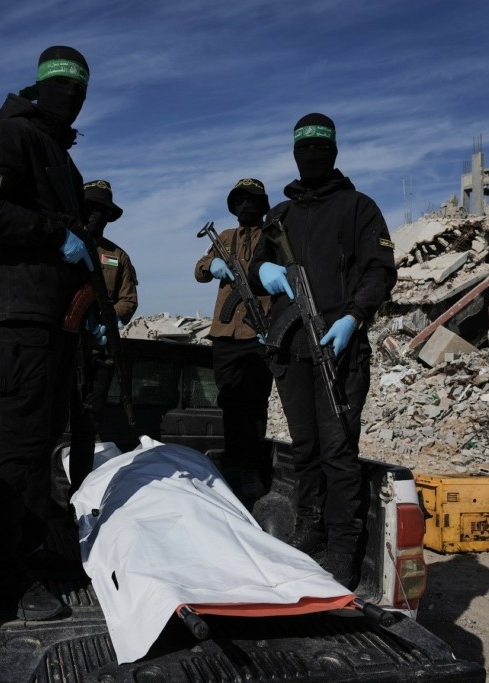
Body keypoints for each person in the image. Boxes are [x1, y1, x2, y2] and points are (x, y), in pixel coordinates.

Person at [0, 45, 99, 620]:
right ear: (41, 87)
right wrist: (53, 234)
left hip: (57, 320)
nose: (72, 98)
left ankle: (36, 553)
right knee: (18, 448)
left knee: (43, 444)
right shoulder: (9, 134)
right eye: (64, 86)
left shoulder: (60, 155)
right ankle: (11, 581)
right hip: (24, 316)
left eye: (80, 90)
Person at [249, 113, 397, 588]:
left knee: (338, 452)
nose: (311, 156)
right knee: (305, 448)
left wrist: (354, 317)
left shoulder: (359, 208)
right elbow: (255, 269)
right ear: (294, 153)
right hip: (291, 351)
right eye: (304, 148)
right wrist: (263, 272)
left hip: (339, 350)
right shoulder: (280, 215)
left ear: (334, 151)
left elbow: (380, 270)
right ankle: (309, 528)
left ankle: (342, 547)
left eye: (320, 147)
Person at [194, 178, 273, 506]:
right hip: (225, 334)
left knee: (255, 404)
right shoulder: (225, 237)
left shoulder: (272, 236)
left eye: (252, 200)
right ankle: (232, 464)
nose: (245, 206)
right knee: (229, 402)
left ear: (262, 206)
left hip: (259, 333)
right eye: (240, 201)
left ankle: (252, 467)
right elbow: (199, 270)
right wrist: (211, 265)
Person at [66, 180, 138, 495]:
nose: (96, 216)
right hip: (64, 350)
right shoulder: (64, 245)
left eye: (103, 211)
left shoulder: (117, 255)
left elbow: (128, 299)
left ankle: (78, 491)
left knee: (86, 426)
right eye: (91, 208)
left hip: (98, 353)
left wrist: (110, 322)